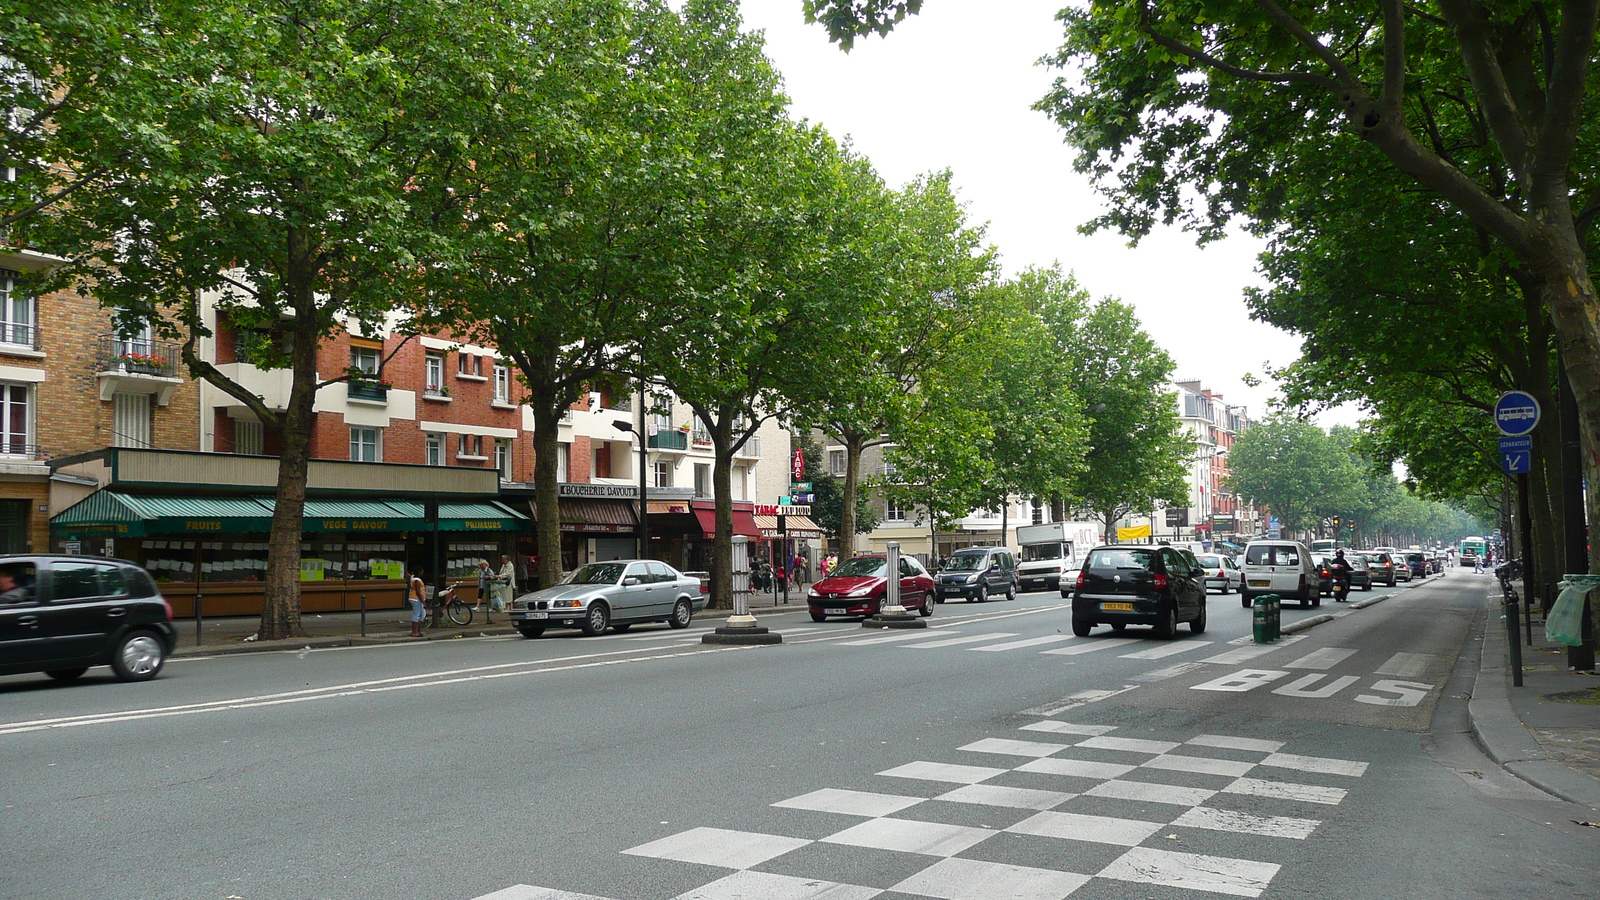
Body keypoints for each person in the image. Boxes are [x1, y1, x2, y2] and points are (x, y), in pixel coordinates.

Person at [406, 568, 427, 637]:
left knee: (422, 614)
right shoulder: (417, 580)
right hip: (416, 599)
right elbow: (418, 592)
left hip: (414, 598)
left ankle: (417, 630)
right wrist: (423, 601)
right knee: (417, 614)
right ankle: (414, 632)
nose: (422, 573)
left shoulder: (412, 578)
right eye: (421, 571)